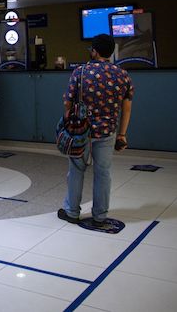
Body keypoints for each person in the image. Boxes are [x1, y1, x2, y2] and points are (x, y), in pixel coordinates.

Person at [58, 34, 134, 226]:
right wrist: (122, 134)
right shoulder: (122, 75)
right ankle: (100, 216)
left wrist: (68, 120)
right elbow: (126, 107)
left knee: (76, 170)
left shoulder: (81, 72)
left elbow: (67, 102)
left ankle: (72, 212)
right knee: (103, 173)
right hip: (107, 132)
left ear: (94, 51)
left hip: (81, 132)